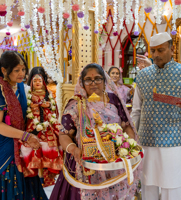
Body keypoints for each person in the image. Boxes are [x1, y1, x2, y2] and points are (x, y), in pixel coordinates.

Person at [50, 63, 141, 200]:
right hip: (86, 163)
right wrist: (74, 149)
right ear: (82, 82)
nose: (93, 83)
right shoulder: (76, 104)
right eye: (88, 79)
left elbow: (126, 125)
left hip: (114, 161)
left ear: (105, 81)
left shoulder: (114, 100)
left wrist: (126, 144)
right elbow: (63, 135)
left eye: (98, 79)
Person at [131, 32, 181, 200]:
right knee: (148, 184)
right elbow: (136, 110)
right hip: (147, 139)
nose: (155, 55)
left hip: (174, 139)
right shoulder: (143, 75)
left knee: (172, 185)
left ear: (171, 48)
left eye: (160, 50)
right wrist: (133, 138)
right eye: (153, 51)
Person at [0, 51, 48, 200]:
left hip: (23, 145)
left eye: (23, 69)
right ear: (3, 70)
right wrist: (26, 136)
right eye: (16, 70)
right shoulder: (1, 90)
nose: (22, 73)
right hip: (6, 146)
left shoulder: (20, 87)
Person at [20, 74, 63, 184]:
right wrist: (32, 107)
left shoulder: (47, 93)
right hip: (33, 120)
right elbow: (26, 107)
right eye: (35, 81)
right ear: (31, 83)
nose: (37, 82)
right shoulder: (29, 94)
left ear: (43, 82)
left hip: (47, 120)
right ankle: (35, 172)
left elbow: (54, 107)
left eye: (39, 80)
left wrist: (48, 105)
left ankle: (48, 173)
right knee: (31, 145)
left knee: (50, 143)